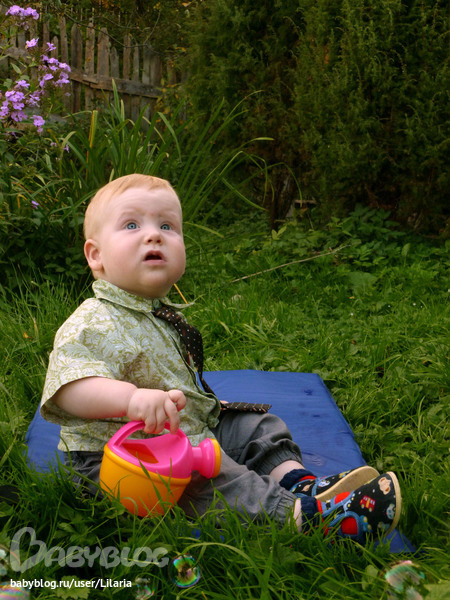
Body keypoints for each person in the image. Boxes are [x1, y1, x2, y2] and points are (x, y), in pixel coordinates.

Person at [41, 174, 401, 544]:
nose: (154, 235)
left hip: (178, 433)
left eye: (167, 226)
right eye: (132, 225)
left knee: (253, 425)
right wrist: (130, 399)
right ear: (95, 255)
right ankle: (308, 520)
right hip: (120, 461)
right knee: (212, 479)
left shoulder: (156, 313)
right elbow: (69, 388)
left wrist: (201, 409)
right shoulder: (93, 320)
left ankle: (300, 483)